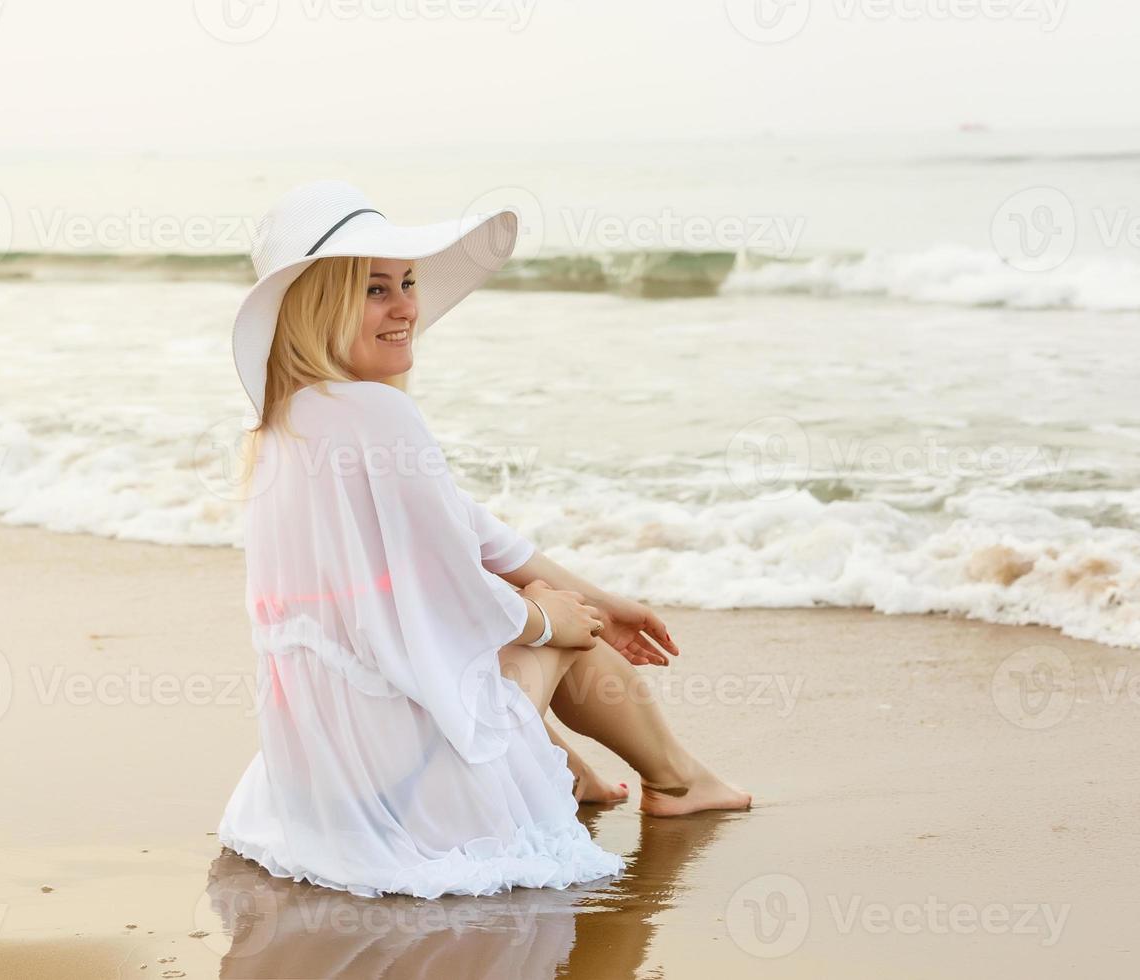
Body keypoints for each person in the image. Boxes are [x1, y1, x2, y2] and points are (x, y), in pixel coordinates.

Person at [217, 180, 750, 900]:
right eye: (376, 290)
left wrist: (602, 598)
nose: (407, 306)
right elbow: (454, 595)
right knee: (556, 627)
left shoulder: (286, 425)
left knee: (541, 605)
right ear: (320, 306)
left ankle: (575, 774)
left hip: (325, 783)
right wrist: (552, 617)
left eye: (406, 283)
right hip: (409, 792)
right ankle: (678, 779)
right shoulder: (378, 415)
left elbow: (467, 529)